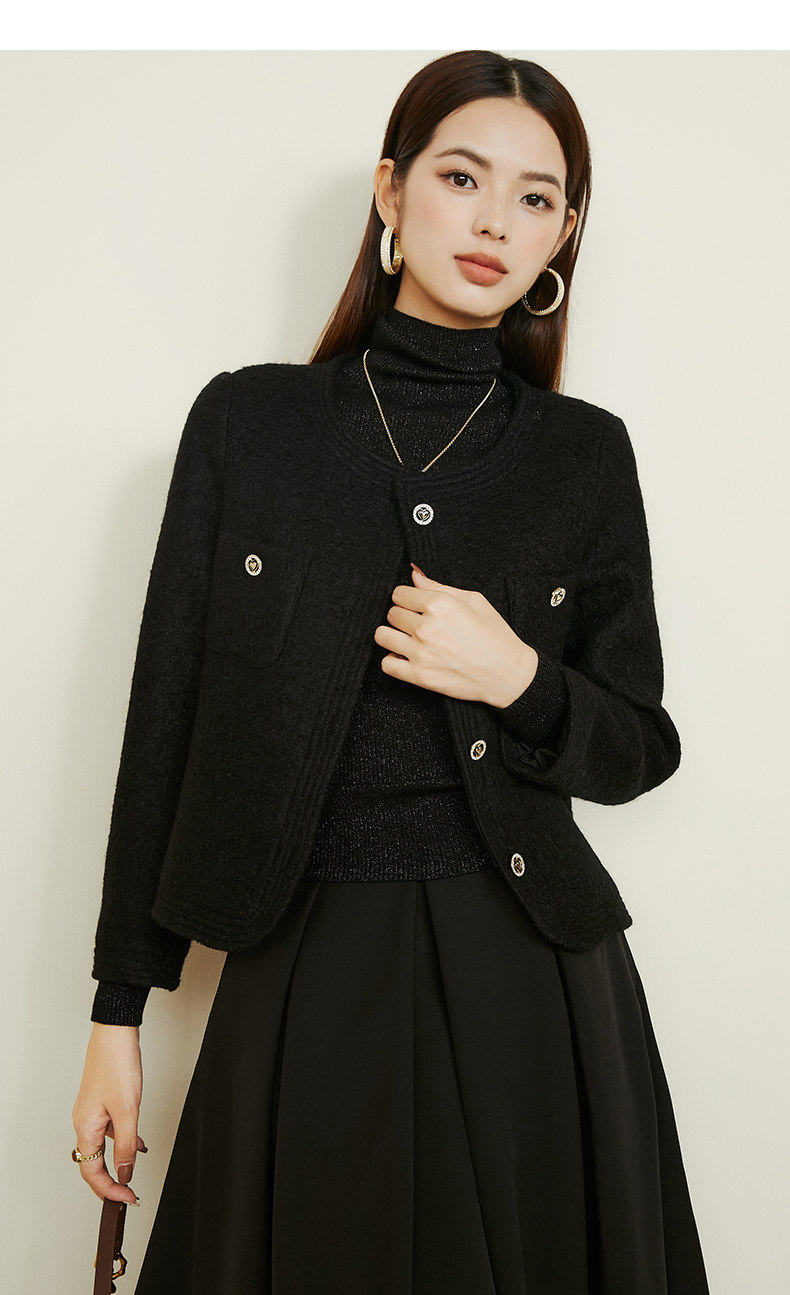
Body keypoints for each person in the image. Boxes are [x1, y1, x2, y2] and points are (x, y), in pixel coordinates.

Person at [72, 49, 710, 1294]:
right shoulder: (249, 423)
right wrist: (116, 1015)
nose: (494, 220)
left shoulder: (582, 456)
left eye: (535, 197)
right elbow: (165, 723)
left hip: (533, 973)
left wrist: (518, 674)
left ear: (563, 235)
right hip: (304, 955)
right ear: (390, 190)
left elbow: (639, 743)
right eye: (461, 177)